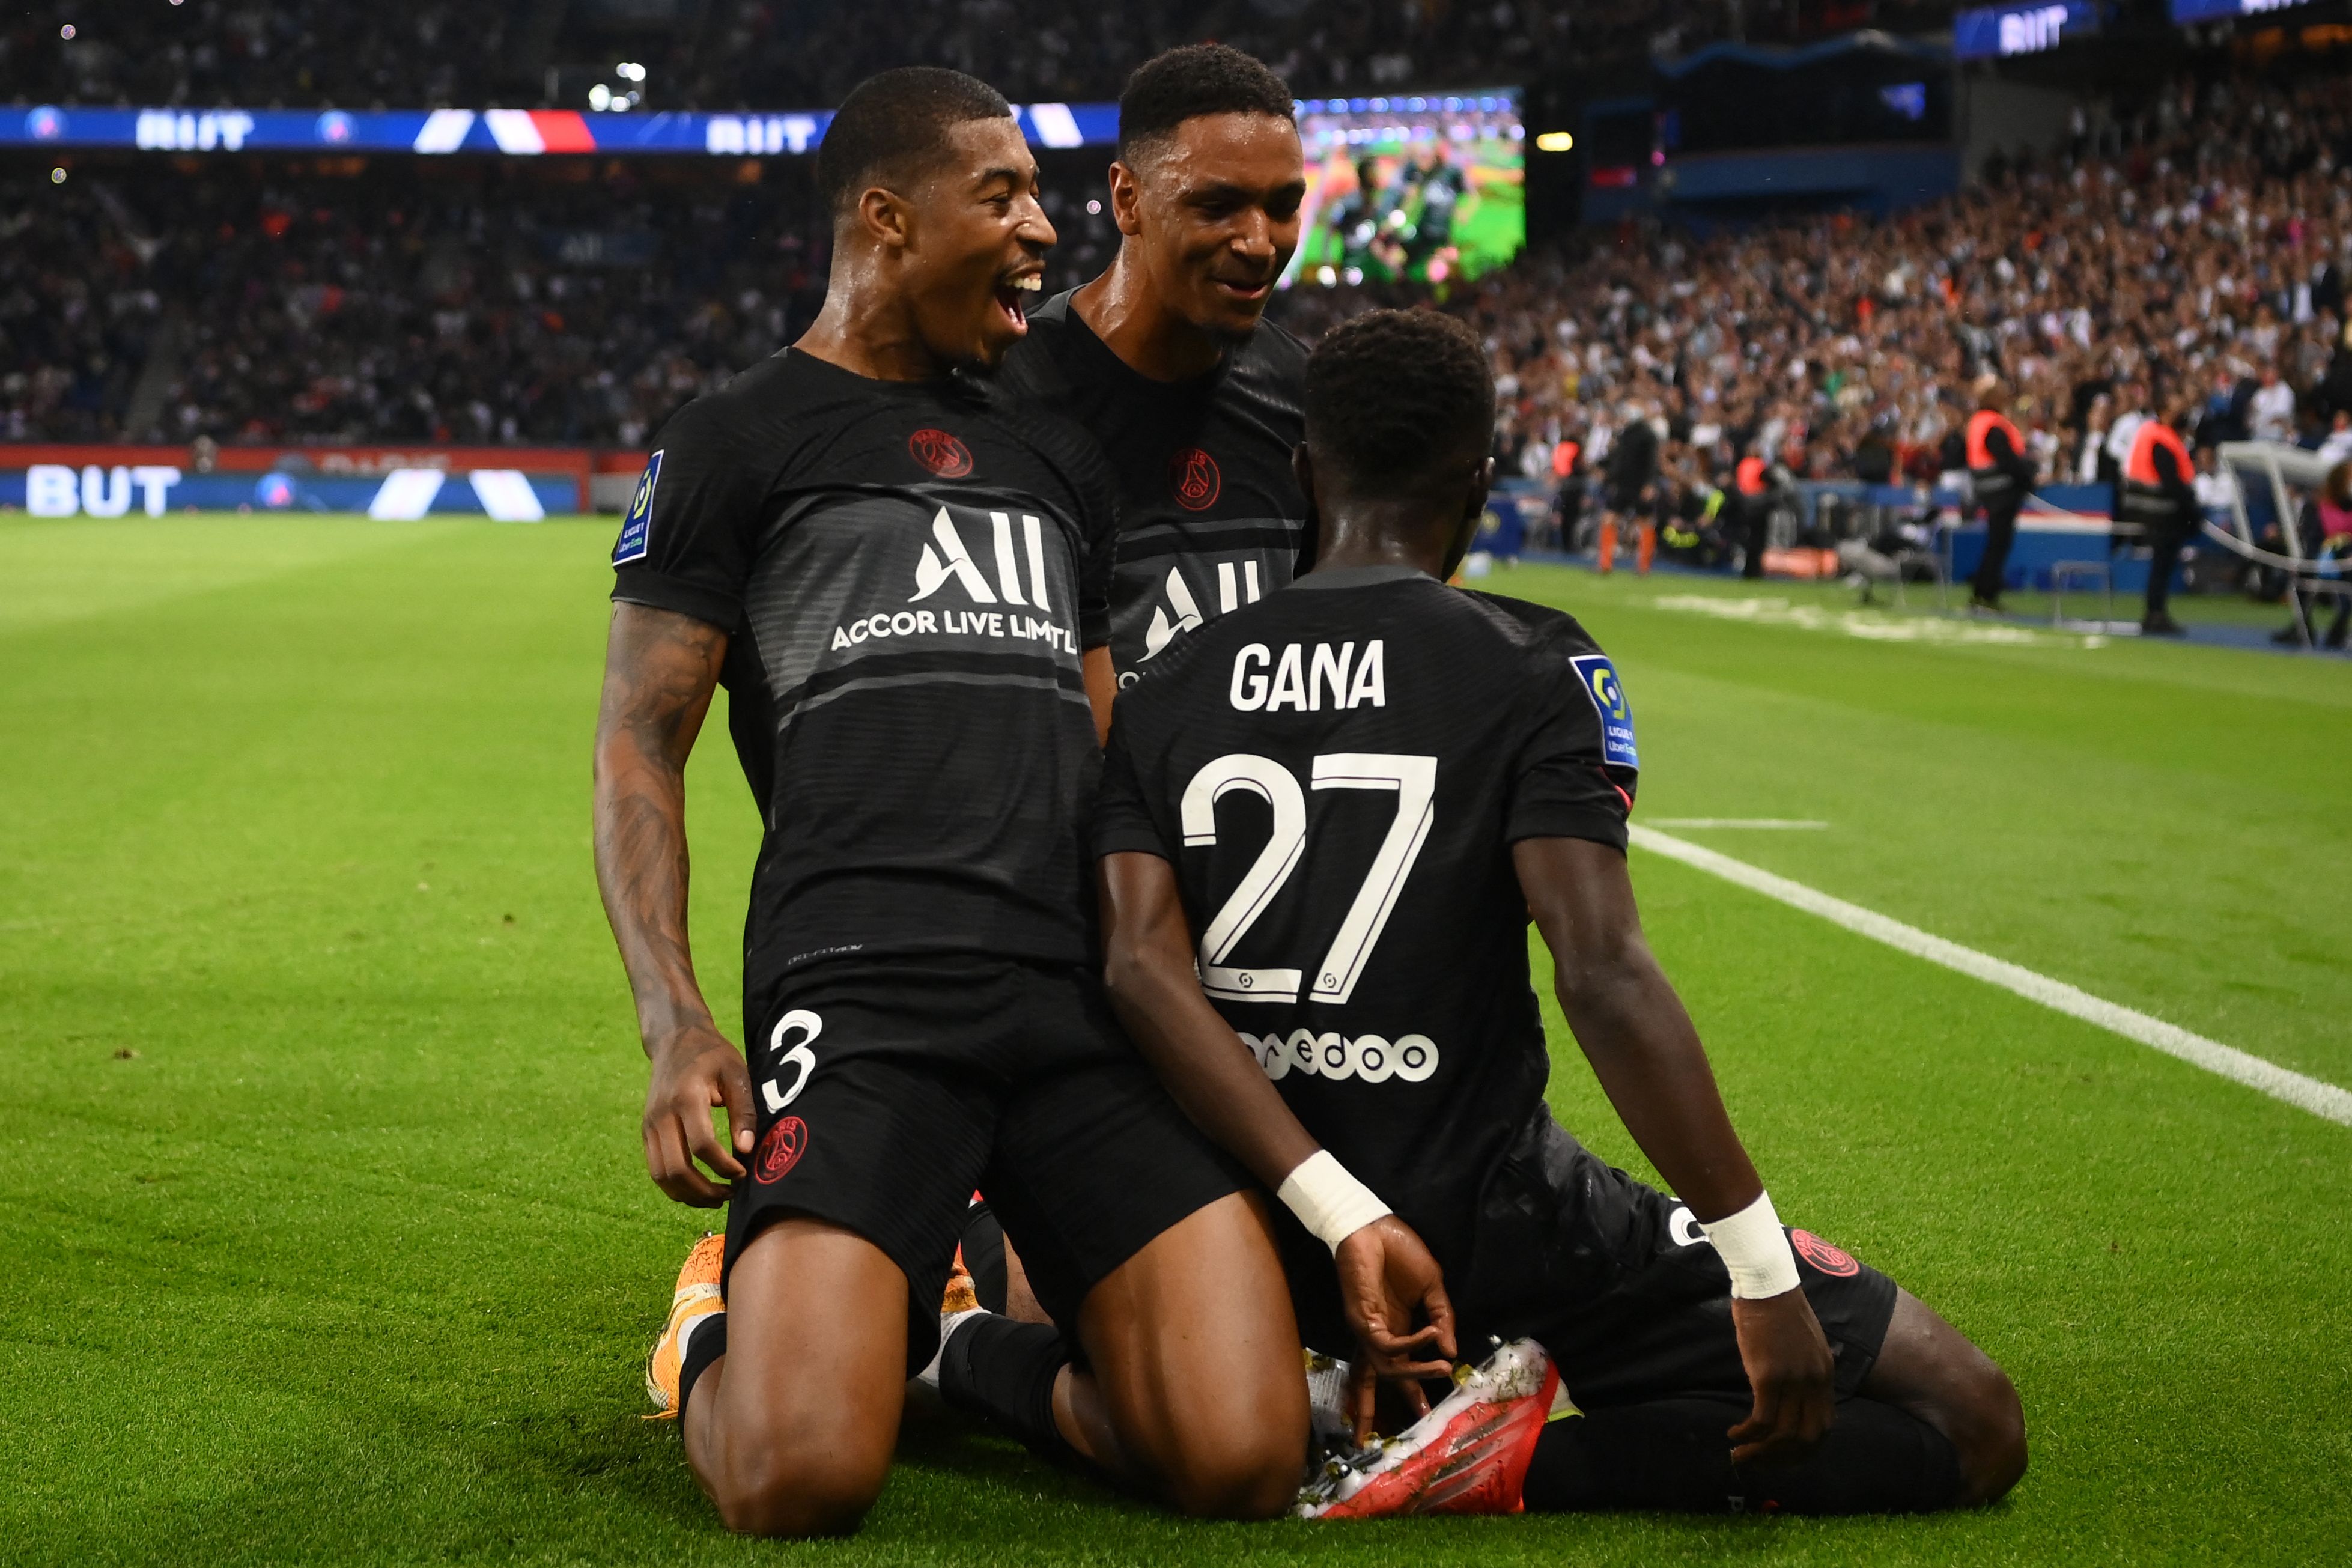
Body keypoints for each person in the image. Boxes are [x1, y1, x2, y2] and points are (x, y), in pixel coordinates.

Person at [1087, 309, 2028, 1516]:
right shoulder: (1532, 667)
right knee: (1969, 1417)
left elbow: (1132, 965)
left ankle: (1337, 1403)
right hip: (1488, 1226)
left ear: (1302, 473)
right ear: (1480, 483)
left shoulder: (1169, 687)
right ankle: (1513, 1464)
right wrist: (1755, 1269)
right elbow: (1602, 973)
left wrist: (1324, 1202)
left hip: (1244, 1224)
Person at [590, 67, 1311, 1537]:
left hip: (1070, 1000)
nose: (1042, 231)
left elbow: (1107, 753)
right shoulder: (736, 439)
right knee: (798, 1475)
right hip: (862, 993)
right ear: (886, 218)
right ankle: (721, 1324)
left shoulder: (1052, 451)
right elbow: (635, 751)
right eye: (1004, 197)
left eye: (1044, 197)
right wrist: (676, 1022)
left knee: (1243, 1451)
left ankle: (952, 1345)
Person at [999, 44, 1310, 687]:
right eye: (1217, 206)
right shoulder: (1006, 393)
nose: (1259, 243)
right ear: (1127, 198)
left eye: (1283, 206)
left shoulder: (1307, 399)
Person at [2118, 397, 2201, 637]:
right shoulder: (2160, 439)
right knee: (2161, 566)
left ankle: (2156, 612)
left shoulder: (2153, 435)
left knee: (2161, 566)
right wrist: (2192, 510)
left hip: (2154, 511)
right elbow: (2172, 481)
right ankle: (2155, 613)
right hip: (2160, 513)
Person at [1963, 374, 2036, 613]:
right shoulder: (1993, 424)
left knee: (1995, 544)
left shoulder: (1978, 422)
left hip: (1987, 490)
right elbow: (2007, 460)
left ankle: (1984, 593)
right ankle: (1986, 594)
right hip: (2002, 492)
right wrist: (2027, 479)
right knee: (1998, 545)